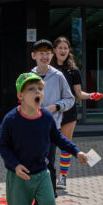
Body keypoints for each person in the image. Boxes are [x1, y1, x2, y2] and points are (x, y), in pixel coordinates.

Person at [0, 72, 88, 205]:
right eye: (31, 89)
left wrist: (76, 152)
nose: (37, 92)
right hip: (18, 176)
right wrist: (15, 165)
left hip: (42, 173)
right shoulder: (11, 119)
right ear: (20, 96)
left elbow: (57, 137)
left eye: (40, 89)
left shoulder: (46, 117)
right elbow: (3, 146)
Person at [51, 36, 102, 192]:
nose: (63, 51)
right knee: (48, 146)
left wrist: (91, 95)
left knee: (66, 145)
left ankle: (63, 177)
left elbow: (78, 93)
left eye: (65, 48)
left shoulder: (73, 70)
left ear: (69, 51)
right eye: (60, 48)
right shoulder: (48, 69)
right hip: (51, 111)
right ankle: (47, 176)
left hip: (68, 112)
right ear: (54, 50)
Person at [29, 39, 74, 195]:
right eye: (41, 53)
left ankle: (50, 198)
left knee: (49, 162)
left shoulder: (58, 76)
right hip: (32, 127)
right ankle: (34, 197)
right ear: (33, 55)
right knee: (32, 162)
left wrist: (55, 107)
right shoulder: (28, 77)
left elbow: (70, 99)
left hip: (51, 127)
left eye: (48, 53)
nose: (45, 57)